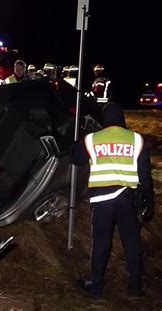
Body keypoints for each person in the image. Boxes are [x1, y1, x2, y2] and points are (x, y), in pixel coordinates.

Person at [70, 102, 154, 297]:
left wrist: (83, 135)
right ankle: (135, 287)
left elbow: (75, 157)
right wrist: (149, 202)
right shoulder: (136, 140)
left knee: (100, 243)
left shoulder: (93, 139)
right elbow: (145, 175)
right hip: (127, 199)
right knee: (132, 243)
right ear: (122, 118)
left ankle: (96, 285)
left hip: (102, 201)